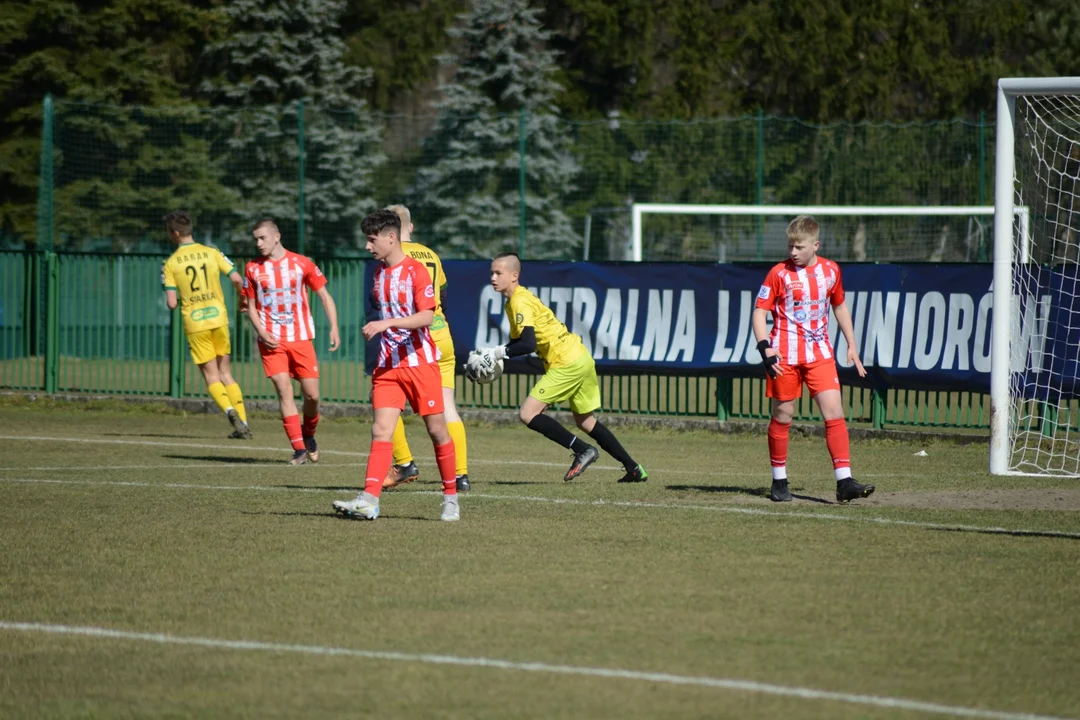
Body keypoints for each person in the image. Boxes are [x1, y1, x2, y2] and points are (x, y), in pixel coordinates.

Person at [473, 252, 646, 484]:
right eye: (491, 273)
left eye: (498, 273)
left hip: (566, 362)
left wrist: (495, 354)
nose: (493, 278)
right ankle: (634, 468)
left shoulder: (519, 301)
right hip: (580, 356)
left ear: (514, 276)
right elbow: (521, 342)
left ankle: (583, 450)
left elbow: (528, 344)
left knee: (527, 413)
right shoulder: (518, 298)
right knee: (585, 421)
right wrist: (496, 352)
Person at [333, 209, 460, 521]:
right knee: (381, 430)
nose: (367, 246)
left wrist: (384, 324)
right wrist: (383, 327)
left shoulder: (416, 271)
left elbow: (427, 316)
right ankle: (369, 500)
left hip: (420, 364)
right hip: (388, 367)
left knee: (436, 430)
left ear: (391, 237)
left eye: (371, 240)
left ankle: (451, 498)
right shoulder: (379, 273)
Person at [751, 215, 875, 504]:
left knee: (834, 412)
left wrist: (852, 345)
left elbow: (839, 306)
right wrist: (765, 348)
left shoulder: (831, 271)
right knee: (783, 416)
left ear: (815, 245)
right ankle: (779, 481)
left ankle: (844, 482)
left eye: (799, 247)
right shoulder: (778, 273)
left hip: (820, 354)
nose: (793, 252)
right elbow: (759, 312)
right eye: (790, 246)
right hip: (784, 355)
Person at [379, 204, 471, 493]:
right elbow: (441, 296)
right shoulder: (430, 254)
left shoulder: (394, 256)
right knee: (448, 408)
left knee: (384, 402)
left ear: (389, 232)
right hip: (442, 335)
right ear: (412, 226)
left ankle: (405, 462)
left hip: (413, 341)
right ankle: (460, 475)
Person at [242, 218, 340, 465]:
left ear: (277, 236)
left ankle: (308, 436)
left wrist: (334, 328)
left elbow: (325, 297)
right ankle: (298, 449)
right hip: (272, 340)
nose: (258, 243)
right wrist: (262, 332)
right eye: (256, 239)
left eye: (262, 238)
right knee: (283, 391)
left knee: (312, 396)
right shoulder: (252, 268)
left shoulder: (302, 263)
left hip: (301, 339)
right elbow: (250, 307)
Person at [160, 210, 252, 440]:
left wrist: (169, 286)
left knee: (212, 377)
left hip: (196, 322)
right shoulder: (212, 252)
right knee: (226, 373)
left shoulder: (171, 263)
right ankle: (243, 421)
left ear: (176, 233)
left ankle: (229, 411)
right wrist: (242, 299)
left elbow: (172, 303)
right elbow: (237, 279)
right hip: (219, 318)